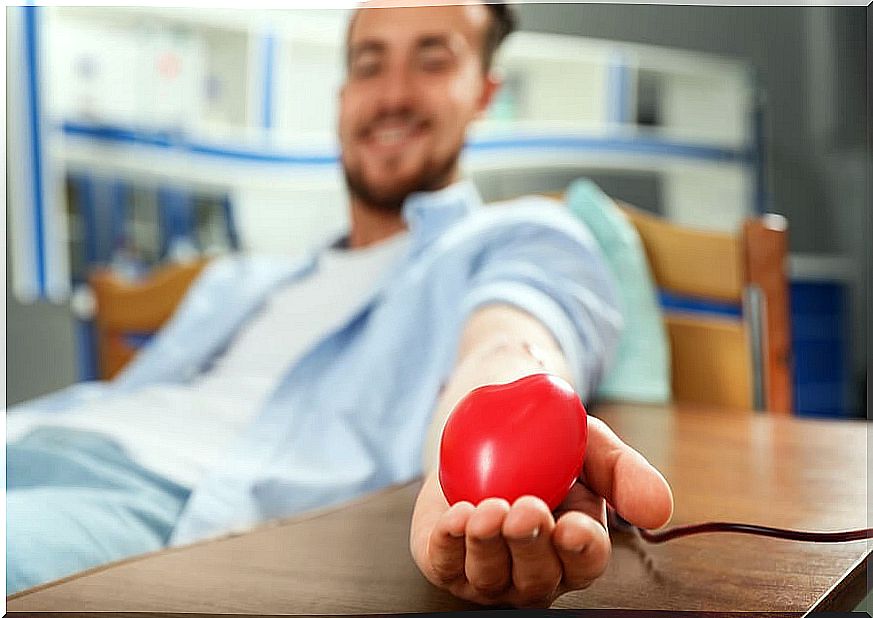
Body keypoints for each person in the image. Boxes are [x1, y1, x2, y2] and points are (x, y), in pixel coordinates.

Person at [6, 0, 673, 607]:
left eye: (432, 59)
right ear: (342, 95)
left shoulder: (517, 235)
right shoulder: (239, 280)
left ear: (483, 93)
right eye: (368, 64)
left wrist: (499, 422)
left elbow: (511, 337)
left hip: (155, 502)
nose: (391, 93)